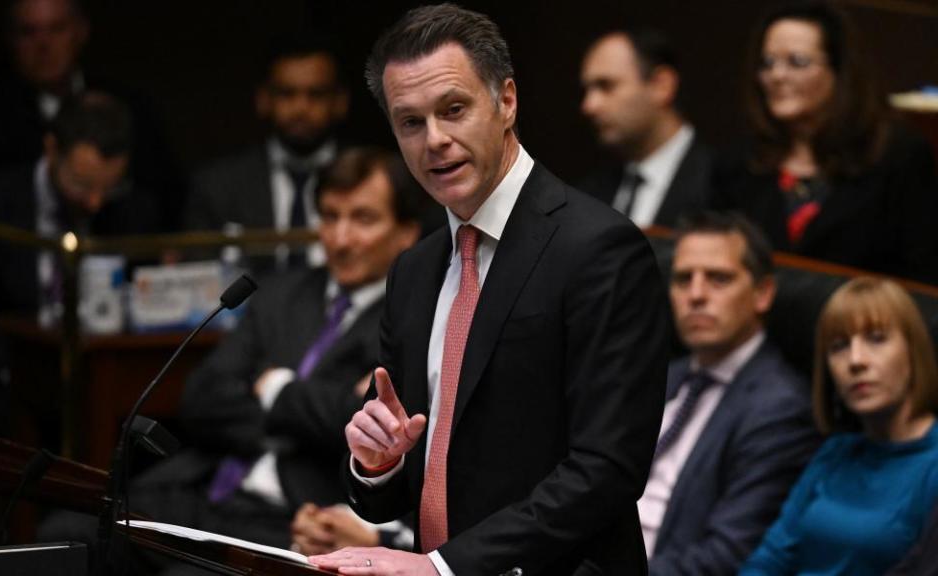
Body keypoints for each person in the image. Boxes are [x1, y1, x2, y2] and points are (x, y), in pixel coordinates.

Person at [309, 5, 668, 575]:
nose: (435, 140)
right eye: (410, 122)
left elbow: (607, 470)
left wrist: (443, 568)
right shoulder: (415, 270)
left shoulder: (599, 248)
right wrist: (377, 464)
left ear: (506, 101)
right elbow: (392, 493)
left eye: (454, 110)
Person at [36, 147, 423, 573]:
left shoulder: (410, 321)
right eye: (330, 217)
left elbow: (356, 425)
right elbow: (202, 398)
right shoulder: (280, 295)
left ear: (406, 232)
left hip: (293, 518)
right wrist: (303, 419)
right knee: (63, 538)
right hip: (204, 489)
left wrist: (273, 390)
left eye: (363, 219)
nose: (340, 238)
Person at [711, 1, 938, 285]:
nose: (777, 76)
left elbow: (923, 277)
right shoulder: (740, 162)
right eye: (767, 63)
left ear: (839, 71)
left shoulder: (898, 156)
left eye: (797, 62)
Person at [0, 92, 158, 447]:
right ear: (51, 149)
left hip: (102, 385)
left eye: (108, 187)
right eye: (81, 184)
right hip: (4, 383)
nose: (94, 201)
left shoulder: (134, 209)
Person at [645, 211, 819, 574]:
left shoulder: (781, 408)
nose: (695, 295)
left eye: (718, 279)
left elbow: (725, 556)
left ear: (763, 293)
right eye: (682, 279)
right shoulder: (658, 378)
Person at [741, 277, 938, 575]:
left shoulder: (932, 465)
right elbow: (771, 557)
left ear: (913, 351)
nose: (855, 361)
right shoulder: (836, 451)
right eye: (839, 346)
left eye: (876, 339)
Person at [0, 0, 181, 228]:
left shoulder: (133, 109)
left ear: (81, 31)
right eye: (28, 32)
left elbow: (165, 199)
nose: (43, 44)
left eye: (56, 29)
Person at [183, 34, 349, 276]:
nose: (301, 108)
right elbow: (198, 281)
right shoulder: (218, 186)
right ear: (263, 100)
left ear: (340, 102)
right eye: (287, 94)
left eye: (316, 94)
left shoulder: (375, 180)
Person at [578, 28, 714, 228]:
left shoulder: (723, 183)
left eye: (606, 86)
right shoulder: (588, 196)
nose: (589, 105)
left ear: (661, 85)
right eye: (587, 89)